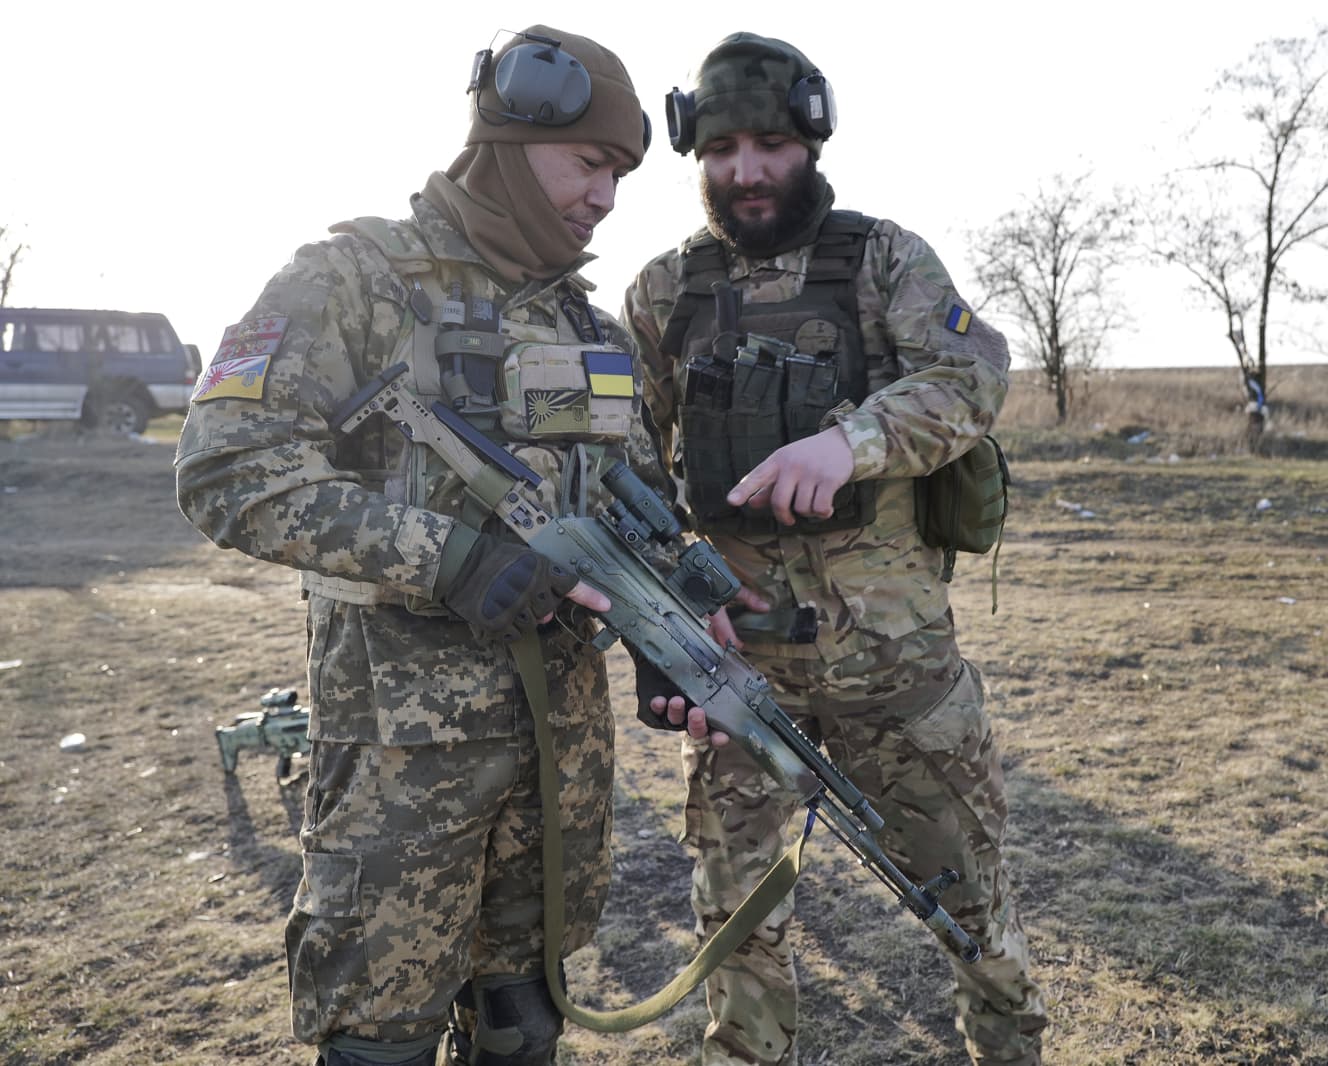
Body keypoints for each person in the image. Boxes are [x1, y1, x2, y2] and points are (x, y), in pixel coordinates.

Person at [176, 26, 683, 1066]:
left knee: (523, 1021)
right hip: (399, 776)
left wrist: (657, 630)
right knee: (381, 1041)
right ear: (505, 134)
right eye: (589, 163)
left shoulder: (590, 324)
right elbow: (226, 469)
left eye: (620, 175)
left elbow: (632, 503)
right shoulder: (351, 280)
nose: (605, 198)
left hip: (556, 765)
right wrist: (446, 557)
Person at [623, 32, 1049, 1066]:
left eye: (767, 143)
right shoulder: (663, 293)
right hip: (740, 676)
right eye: (721, 150)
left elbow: (970, 375)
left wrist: (846, 441)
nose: (745, 172)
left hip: (898, 677)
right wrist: (669, 607)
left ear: (808, 135)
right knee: (734, 919)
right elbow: (622, 465)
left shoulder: (882, 260)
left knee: (970, 903)